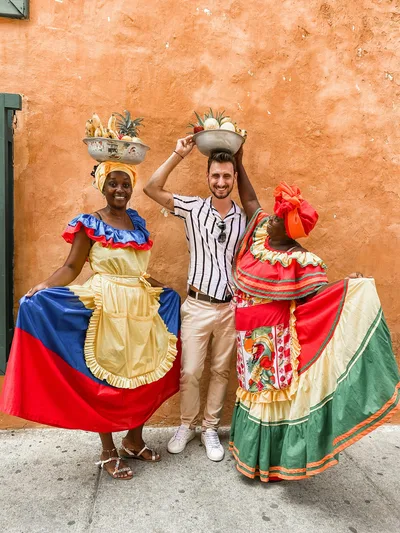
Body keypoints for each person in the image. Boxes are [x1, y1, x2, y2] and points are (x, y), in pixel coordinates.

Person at [0, 161, 181, 480]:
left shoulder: (136, 222)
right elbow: (71, 267)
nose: (120, 190)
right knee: (105, 382)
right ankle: (107, 450)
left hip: (139, 309)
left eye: (126, 184)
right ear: (102, 185)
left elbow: (136, 271)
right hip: (105, 307)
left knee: (140, 375)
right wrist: (44, 286)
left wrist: (164, 291)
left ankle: (133, 441)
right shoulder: (90, 223)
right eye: (113, 183)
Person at [229, 148, 400, 482]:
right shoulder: (262, 232)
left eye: (279, 218)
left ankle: (271, 463)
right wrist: (238, 162)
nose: (271, 218)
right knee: (251, 393)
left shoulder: (300, 261)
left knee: (270, 399)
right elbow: (249, 200)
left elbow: (319, 301)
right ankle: (251, 457)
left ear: (290, 230)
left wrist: (351, 289)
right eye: (275, 215)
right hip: (247, 336)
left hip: (274, 344)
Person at [143, 136, 247, 461]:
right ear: (208, 177)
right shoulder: (192, 208)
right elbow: (151, 188)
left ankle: (210, 428)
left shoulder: (243, 218)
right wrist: (177, 154)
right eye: (215, 175)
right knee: (190, 370)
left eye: (226, 176)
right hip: (198, 304)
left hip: (230, 306)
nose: (220, 181)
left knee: (220, 371)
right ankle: (186, 425)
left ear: (233, 178)